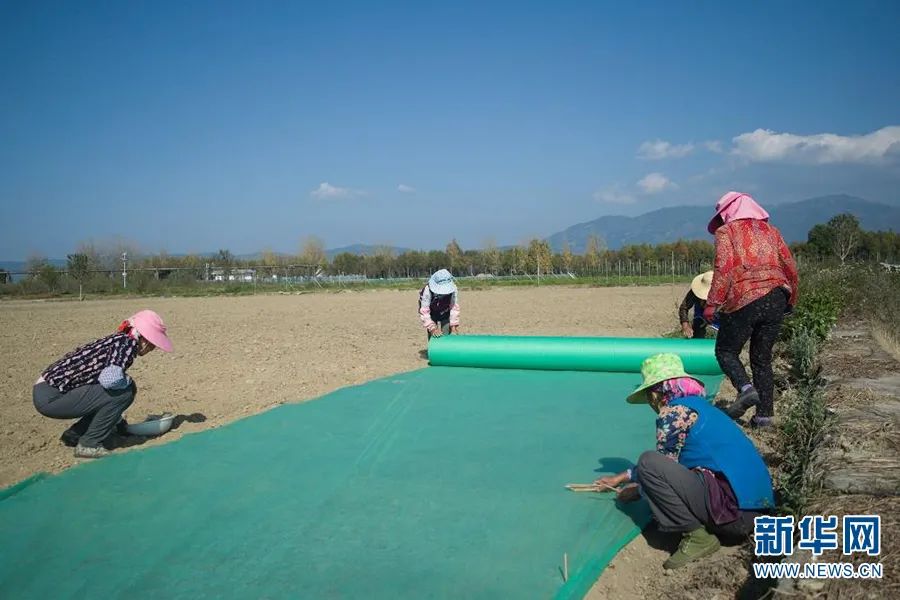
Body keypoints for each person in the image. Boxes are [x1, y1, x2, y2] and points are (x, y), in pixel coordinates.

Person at [595, 353, 774, 570]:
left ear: (656, 394)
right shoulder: (703, 408)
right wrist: (621, 477)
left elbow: (660, 464)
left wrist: (634, 490)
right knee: (651, 465)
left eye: (649, 396)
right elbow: (671, 459)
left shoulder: (672, 413)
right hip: (759, 509)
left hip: (734, 514)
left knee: (648, 461)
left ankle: (697, 536)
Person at [702, 192, 798, 427]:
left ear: (728, 213)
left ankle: (745, 389)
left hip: (745, 297)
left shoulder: (727, 233)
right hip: (777, 296)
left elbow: (723, 268)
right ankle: (764, 416)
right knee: (762, 358)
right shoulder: (771, 231)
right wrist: (790, 299)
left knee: (725, 350)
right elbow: (790, 266)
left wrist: (712, 303)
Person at [32, 310, 173, 458]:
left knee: (117, 390)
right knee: (126, 391)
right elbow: (109, 380)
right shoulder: (128, 344)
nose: (152, 348)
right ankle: (89, 444)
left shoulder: (120, 340)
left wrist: (115, 418)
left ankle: (75, 434)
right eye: (152, 343)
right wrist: (127, 381)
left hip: (46, 391)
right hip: (52, 397)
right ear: (143, 338)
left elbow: (99, 386)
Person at [419, 269, 460, 340]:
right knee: (433, 335)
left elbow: (454, 308)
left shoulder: (453, 289)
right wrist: (433, 329)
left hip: (445, 311)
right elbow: (425, 311)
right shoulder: (427, 290)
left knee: (446, 333)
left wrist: (453, 327)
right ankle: (433, 349)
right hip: (431, 312)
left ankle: (445, 349)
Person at [679, 271, 713, 339]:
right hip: (700, 314)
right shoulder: (695, 291)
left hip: (720, 313)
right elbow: (684, 307)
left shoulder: (727, 293)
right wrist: (685, 324)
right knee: (698, 333)